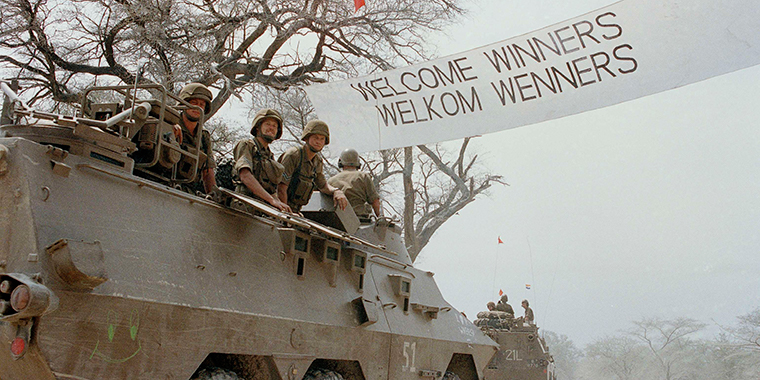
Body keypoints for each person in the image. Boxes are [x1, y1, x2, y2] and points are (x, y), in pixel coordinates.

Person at [277, 120, 348, 213]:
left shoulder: (317, 162)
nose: (318, 142)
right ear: (307, 138)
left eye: (322, 139)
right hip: (281, 208)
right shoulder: (293, 155)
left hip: (296, 210)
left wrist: (336, 191)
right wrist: (286, 214)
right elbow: (281, 188)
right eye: (315, 138)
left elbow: (322, 185)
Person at [232, 108, 291, 212]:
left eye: (274, 126)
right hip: (244, 204)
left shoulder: (269, 156)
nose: (271, 128)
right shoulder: (247, 145)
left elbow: (271, 190)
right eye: (268, 124)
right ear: (258, 127)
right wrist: (271, 200)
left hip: (262, 206)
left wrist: (282, 208)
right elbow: (245, 175)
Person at [173, 83, 218, 195]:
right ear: (183, 103)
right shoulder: (169, 123)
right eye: (193, 103)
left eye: (201, 104)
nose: (197, 107)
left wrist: (213, 195)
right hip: (164, 183)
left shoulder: (203, 136)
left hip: (188, 191)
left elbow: (208, 171)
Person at [327, 148, 381, 219]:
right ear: (358, 162)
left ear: (340, 162)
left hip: (340, 220)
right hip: (360, 219)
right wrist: (380, 217)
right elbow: (375, 201)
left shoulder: (331, 180)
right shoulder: (363, 176)